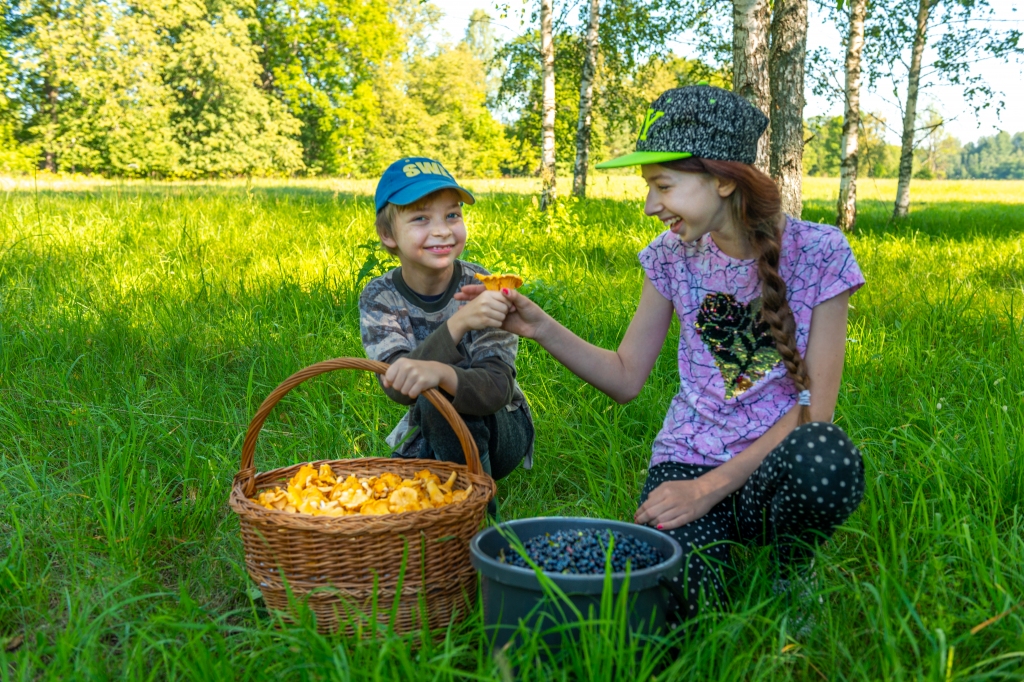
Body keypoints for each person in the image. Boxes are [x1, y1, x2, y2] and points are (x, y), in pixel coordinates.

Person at [456, 85, 866, 617]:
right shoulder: (672, 256)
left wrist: (712, 489)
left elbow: (817, 410)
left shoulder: (821, 253)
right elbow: (626, 377)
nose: (651, 206)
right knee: (676, 613)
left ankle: (789, 564)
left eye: (663, 185)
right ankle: (712, 558)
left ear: (722, 179)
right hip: (685, 465)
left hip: (771, 468)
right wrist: (540, 327)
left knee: (826, 455)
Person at [359, 157, 534, 502]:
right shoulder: (380, 296)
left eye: (452, 215)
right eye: (421, 218)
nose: (442, 230)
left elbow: (498, 389)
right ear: (387, 234)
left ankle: (475, 506)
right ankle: (441, 481)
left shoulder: (484, 286)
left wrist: (438, 372)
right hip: (430, 423)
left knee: (442, 400)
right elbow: (398, 388)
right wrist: (458, 324)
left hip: (501, 427)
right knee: (392, 493)